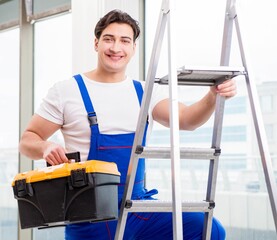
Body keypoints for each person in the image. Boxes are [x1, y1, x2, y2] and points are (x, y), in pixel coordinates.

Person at [19, 9, 237, 240]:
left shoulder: (144, 92)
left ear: (133, 48)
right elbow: (28, 140)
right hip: (90, 212)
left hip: (138, 206)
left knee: (208, 229)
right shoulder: (66, 91)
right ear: (96, 43)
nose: (115, 48)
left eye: (124, 41)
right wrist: (45, 147)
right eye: (108, 39)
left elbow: (186, 120)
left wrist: (213, 96)